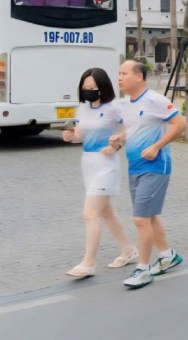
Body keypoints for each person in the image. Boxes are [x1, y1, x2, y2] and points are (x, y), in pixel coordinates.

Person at [112, 60, 187, 289]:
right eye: (119, 73)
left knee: (140, 219)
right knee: (150, 216)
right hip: (135, 166)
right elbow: (136, 129)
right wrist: (120, 138)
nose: (120, 77)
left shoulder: (155, 99)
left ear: (139, 76)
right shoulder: (126, 104)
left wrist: (157, 146)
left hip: (156, 166)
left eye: (124, 73)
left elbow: (180, 123)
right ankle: (167, 255)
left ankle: (143, 269)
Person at [62, 68, 136, 278]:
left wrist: (116, 144)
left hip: (107, 164)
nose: (88, 92)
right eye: (85, 88)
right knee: (106, 212)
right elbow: (80, 136)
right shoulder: (82, 109)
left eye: (92, 88)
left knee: (90, 213)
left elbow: (135, 128)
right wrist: (71, 136)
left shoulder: (115, 108)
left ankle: (88, 263)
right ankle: (129, 250)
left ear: (102, 87)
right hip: (88, 163)